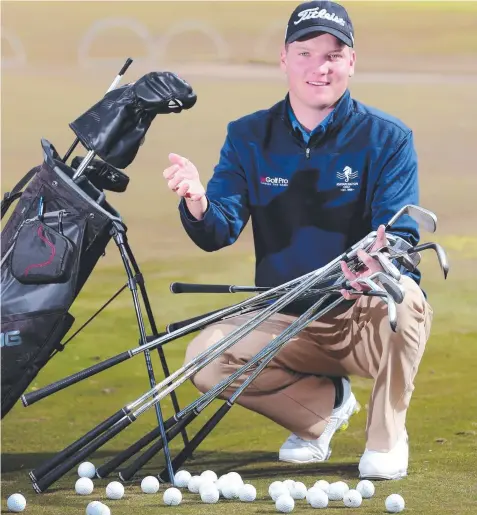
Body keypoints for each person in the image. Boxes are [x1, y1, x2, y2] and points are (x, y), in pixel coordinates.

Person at [162, 0, 433, 480]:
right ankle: (323, 410)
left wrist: (380, 262)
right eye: (306, 53)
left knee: (407, 300)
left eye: (333, 54)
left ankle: (386, 438)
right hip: (284, 315)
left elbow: (403, 236)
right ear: (284, 59)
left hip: (360, 315)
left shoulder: (387, 137)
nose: (319, 67)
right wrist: (199, 203)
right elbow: (218, 229)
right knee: (204, 361)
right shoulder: (248, 135)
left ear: (351, 61)